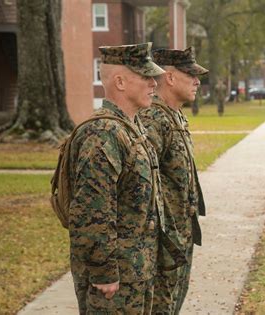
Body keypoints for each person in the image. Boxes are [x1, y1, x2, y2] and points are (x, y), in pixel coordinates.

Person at [68, 43, 164, 314]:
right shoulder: (103, 133)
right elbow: (92, 211)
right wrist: (104, 272)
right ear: (119, 82)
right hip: (114, 282)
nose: (154, 83)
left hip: (136, 272)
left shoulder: (131, 128)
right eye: (145, 77)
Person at [138, 46, 207, 314]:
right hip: (162, 243)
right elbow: (140, 184)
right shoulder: (154, 119)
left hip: (179, 236)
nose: (197, 80)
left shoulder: (174, 115)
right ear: (169, 76)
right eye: (190, 74)